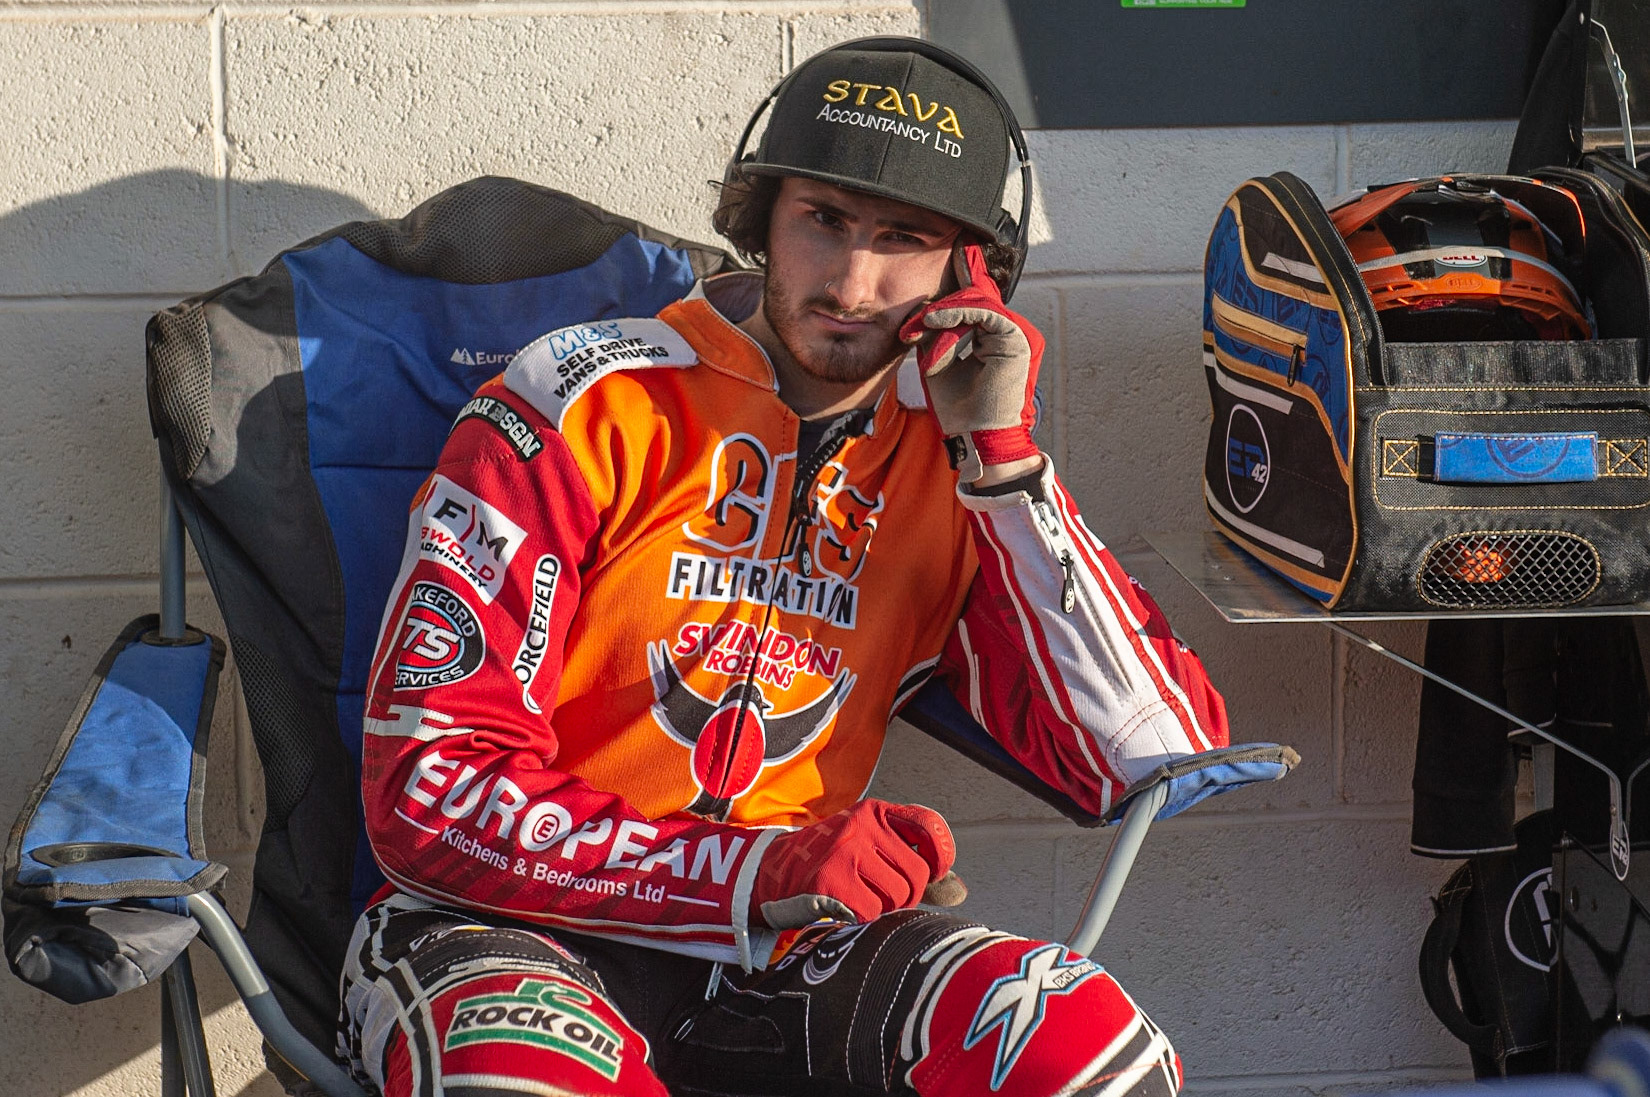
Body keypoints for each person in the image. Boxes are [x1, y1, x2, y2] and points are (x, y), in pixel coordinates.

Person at [339, 36, 1229, 1097]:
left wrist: (1003, 464)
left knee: (1087, 1048)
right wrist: (752, 869)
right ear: (760, 217)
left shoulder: (953, 467)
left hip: (780, 956)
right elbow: (426, 790)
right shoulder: (577, 399)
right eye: (824, 221)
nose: (852, 281)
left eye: (904, 239)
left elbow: (1150, 756)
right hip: (503, 926)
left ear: (970, 272)